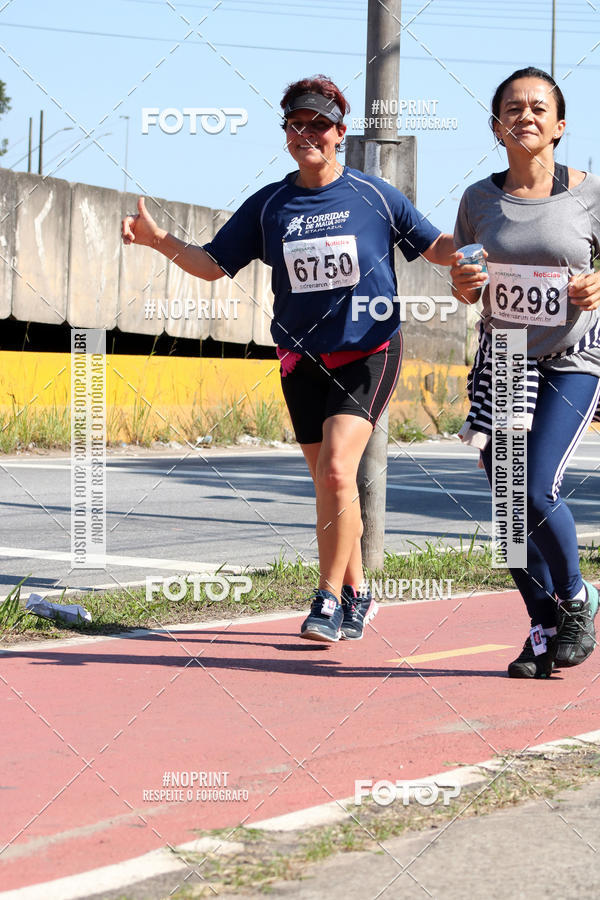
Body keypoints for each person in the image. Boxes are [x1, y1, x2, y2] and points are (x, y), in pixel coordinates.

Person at [122, 74, 455, 643]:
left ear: (339, 134)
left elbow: (436, 246)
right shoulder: (272, 203)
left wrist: (479, 242)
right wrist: (158, 241)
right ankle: (358, 593)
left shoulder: (375, 196)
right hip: (301, 357)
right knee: (329, 483)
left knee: (334, 469)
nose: (308, 134)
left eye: (318, 125)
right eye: (296, 124)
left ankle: (326, 599)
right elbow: (212, 263)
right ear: (286, 135)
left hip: (369, 351)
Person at [451, 66, 600, 678]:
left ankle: (577, 598)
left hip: (573, 359)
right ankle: (543, 625)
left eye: (540, 107)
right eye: (513, 108)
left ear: (560, 126)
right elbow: (464, 279)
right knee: (508, 508)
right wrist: (463, 283)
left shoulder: (589, 194)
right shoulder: (478, 200)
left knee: (534, 488)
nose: (526, 115)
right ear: (496, 127)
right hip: (506, 358)